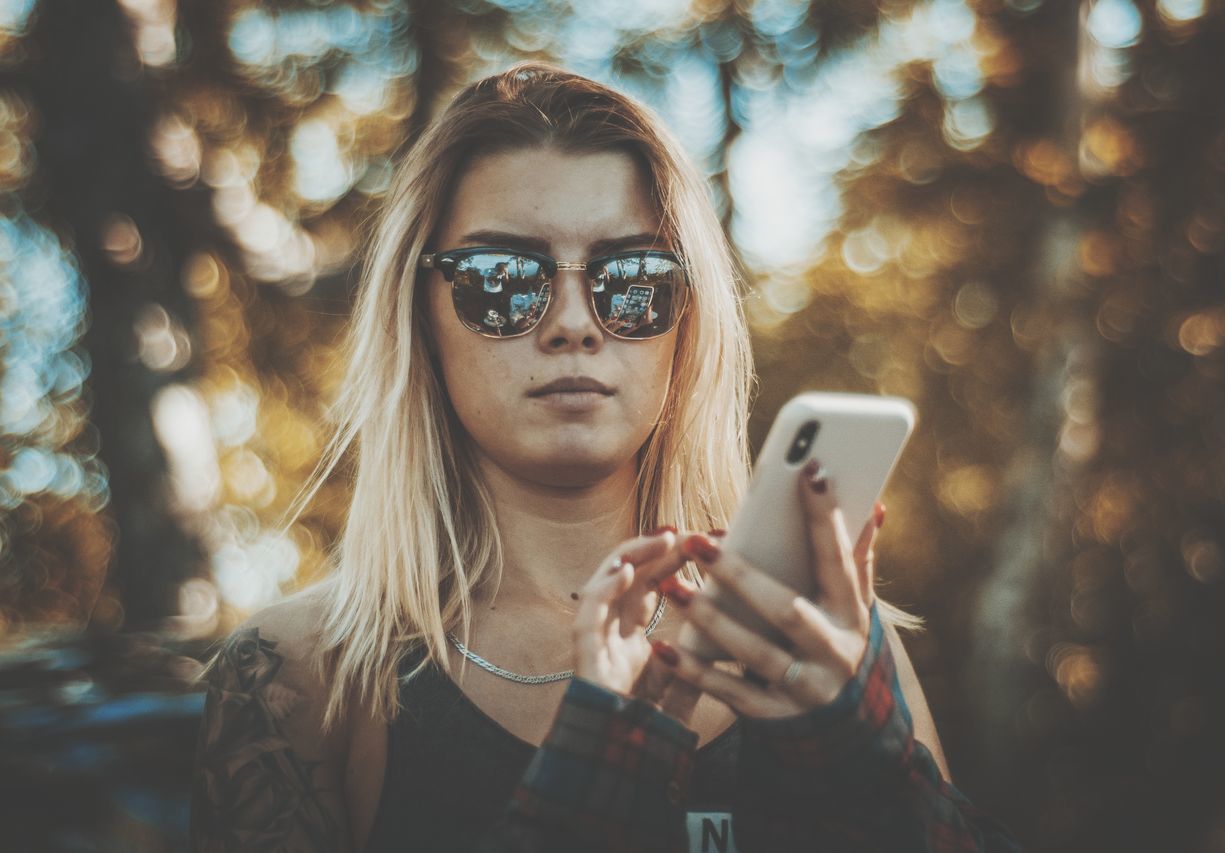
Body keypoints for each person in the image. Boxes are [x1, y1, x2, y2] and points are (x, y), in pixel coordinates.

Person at [190, 62, 1022, 853]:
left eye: (631, 278)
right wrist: (588, 784)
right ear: (420, 317)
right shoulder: (298, 677)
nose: (573, 321)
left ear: (685, 321)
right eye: (505, 278)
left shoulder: (821, 644)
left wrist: (863, 766)